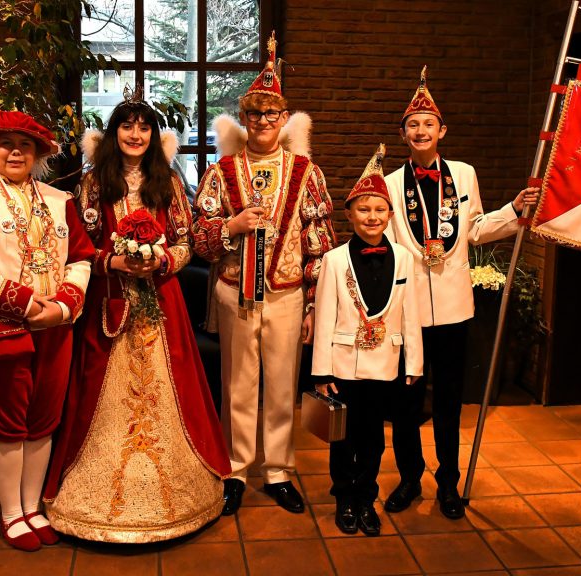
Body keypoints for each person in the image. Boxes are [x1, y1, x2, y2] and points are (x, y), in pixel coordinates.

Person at [42, 86, 230, 543]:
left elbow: (186, 243)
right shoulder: (91, 184)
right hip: (109, 301)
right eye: (126, 125)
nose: (135, 133)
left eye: (144, 126)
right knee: (98, 395)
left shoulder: (168, 183)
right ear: (114, 133)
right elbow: (79, 248)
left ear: (154, 135)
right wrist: (115, 261)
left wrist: (161, 260)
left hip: (161, 304)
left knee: (172, 390)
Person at [382, 66, 540, 519]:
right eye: (412, 125)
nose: (420, 131)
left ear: (442, 131)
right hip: (408, 310)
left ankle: (447, 483)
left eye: (428, 124)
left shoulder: (465, 175)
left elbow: (474, 231)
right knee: (407, 401)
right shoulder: (390, 185)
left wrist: (514, 210)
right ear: (403, 133)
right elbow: (387, 243)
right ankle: (410, 479)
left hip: (454, 308)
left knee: (450, 400)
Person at [192, 32, 336, 515]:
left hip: (287, 292)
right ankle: (235, 469)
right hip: (236, 291)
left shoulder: (305, 171)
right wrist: (230, 226)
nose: (262, 123)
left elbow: (321, 240)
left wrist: (315, 305)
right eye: (253, 115)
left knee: (281, 384)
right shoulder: (222, 171)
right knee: (236, 383)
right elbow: (199, 235)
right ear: (244, 118)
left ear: (283, 118)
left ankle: (277, 470)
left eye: (271, 115)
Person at [0, 111, 95, 551]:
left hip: (55, 328)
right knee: (7, 424)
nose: (15, 152)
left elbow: (81, 258)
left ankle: (32, 507)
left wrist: (64, 305)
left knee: (43, 422)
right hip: (0, 328)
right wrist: (25, 304)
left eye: (24, 145)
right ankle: (11, 513)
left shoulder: (61, 200)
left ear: (39, 153)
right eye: (6, 144)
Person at [312, 144, 424, 536]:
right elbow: (325, 316)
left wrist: (414, 365)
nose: (372, 217)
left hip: (385, 363)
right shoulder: (334, 259)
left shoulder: (405, 259)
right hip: (343, 363)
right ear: (349, 214)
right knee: (344, 437)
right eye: (363, 209)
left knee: (375, 439)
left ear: (390, 214)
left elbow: (412, 315)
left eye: (379, 209)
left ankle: (366, 496)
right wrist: (320, 371)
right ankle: (344, 495)